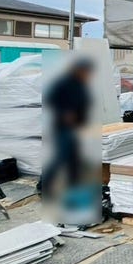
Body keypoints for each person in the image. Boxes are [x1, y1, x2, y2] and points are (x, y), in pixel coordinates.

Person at [38, 58, 93, 196]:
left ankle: (73, 186)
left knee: (74, 159)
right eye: (85, 72)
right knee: (61, 158)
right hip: (63, 127)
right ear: (78, 70)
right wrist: (64, 112)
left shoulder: (81, 85)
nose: (86, 75)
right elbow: (49, 99)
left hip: (77, 127)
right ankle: (44, 186)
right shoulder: (63, 83)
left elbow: (85, 103)